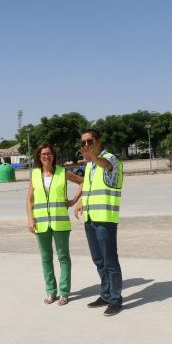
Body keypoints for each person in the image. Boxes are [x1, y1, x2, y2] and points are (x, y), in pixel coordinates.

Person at [74, 129, 124, 316]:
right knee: (99, 260)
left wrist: (93, 158)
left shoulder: (110, 159)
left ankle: (116, 299)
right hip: (90, 219)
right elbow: (88, 187)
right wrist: (80, 201)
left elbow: (108, 166)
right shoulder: (90, 166)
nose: (86, 145)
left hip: (105, 219)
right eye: (84, 142)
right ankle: (105, 294)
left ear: (98, 141)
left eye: (90, 141)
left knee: (110, 261)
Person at [26, 142, 83, 306]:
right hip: (41, 223)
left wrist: (73, 201)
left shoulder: (62, 172)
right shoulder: (35, 174)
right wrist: (30, 219)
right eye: (43, 154)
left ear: (53, 156)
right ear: (38, 156)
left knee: (63, 257)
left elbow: (83, 182)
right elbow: (29, 199)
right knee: (46, 258)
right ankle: (51, 292)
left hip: (60, 223)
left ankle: (64, 292)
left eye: (49, 153)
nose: (46, 156)